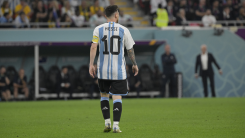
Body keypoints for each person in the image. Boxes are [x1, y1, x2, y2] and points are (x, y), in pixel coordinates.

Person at [89, 5, 138, 133]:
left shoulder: (98, 29)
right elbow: (130, 50)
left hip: (103, 70)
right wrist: (134, 64)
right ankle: (116, 125)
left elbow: (93, 47)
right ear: (116, 15)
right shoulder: (124, 30)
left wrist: (91, 65)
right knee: (117, 97)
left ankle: (107, 123)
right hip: (119, 71)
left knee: (104, 96)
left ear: (105, 16)